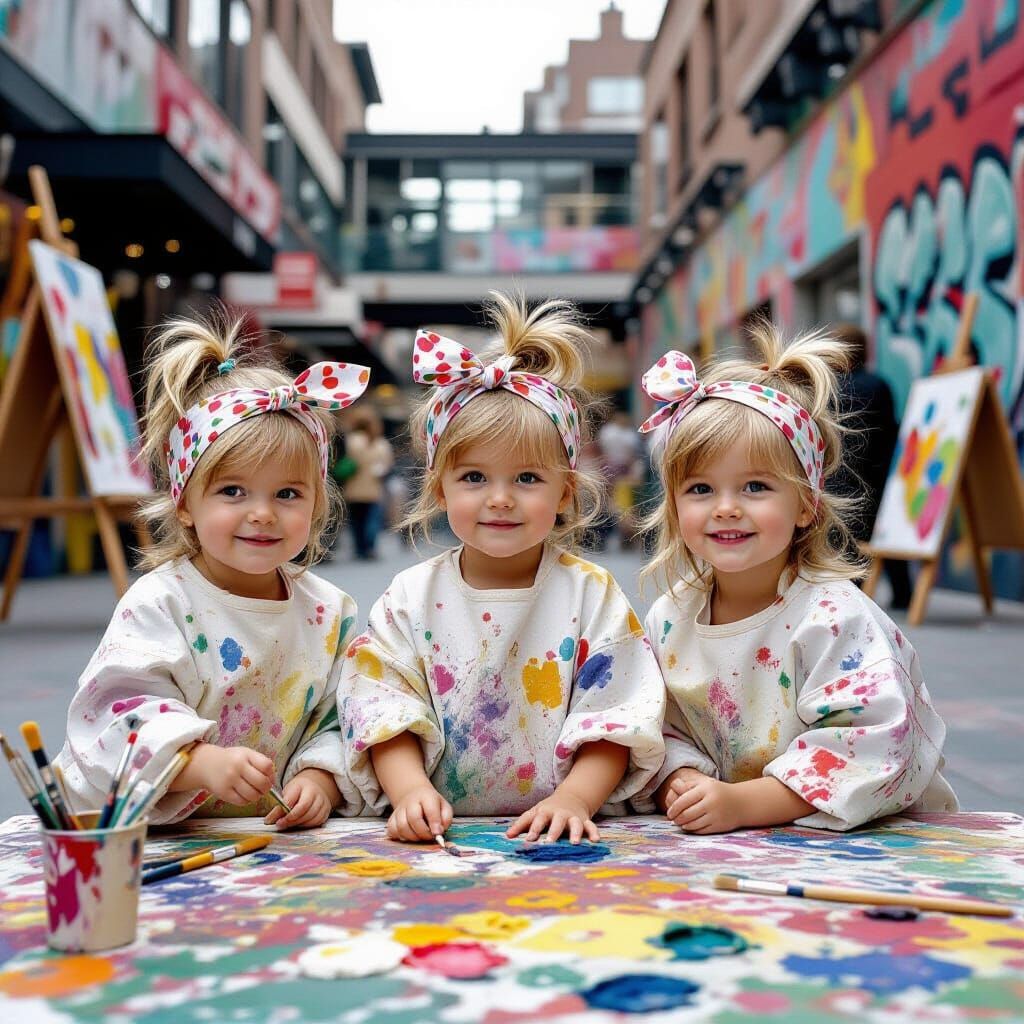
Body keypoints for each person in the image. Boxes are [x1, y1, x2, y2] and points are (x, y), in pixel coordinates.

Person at [339, 293, 665, 844]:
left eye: (528, 479)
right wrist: (409, 791)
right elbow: (381, 703)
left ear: (566, 489)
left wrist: (574, 798)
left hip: (561, 835)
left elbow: (618, 713)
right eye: (473, 478)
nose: (500, 499)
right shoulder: (410, 596)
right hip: (443, 839)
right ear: (438, 486)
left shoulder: (591, 594)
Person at [636, 323, 957, 833]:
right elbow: (659, 721)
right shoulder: (669, 618)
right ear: (673, 505)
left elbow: (874, 742)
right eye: (700, 488)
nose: (726, 508)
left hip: (862, 844)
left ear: (806, 504)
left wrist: (746, 803)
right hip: (735, 852)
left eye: (755, 486)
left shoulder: (835, 618)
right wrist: (680, 776)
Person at [56, 315, 370, 828]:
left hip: (263, 840)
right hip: (153, 836)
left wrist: (320, 776)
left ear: (316, 504)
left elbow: (342, 714)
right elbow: (116, 709)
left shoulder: (330, 612)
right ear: (184, 502)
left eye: (287, 493)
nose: (263, 512)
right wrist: (196, 762)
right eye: (232, 491)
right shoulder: (162, 602)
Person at [830, 323, 911, 610]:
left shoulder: (829, 387)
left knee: (846, 539)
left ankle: (854, 594)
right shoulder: (879, 385)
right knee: (888, 535)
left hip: (839, 476)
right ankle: (904, 595)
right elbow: (890, 432)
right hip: (877, 473)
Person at [342, 407, 394, 560]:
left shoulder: (350, 441)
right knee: (372, 519)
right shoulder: (380, 443)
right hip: (373, 489)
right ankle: (369, 547)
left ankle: (359, 548)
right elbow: (388, 465)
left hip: (352, 489)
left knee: (356, 521)